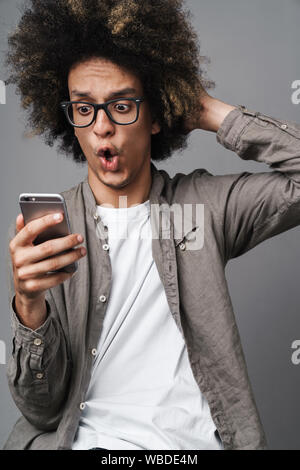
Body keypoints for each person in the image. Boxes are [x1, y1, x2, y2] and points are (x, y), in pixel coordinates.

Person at [3, 0, 300, 451]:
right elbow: (41, 410)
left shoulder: (205, 207)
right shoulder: (52, 230)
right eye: (84, 109)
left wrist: (209, 111)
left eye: (122, 106)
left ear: (157, 114)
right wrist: (28, 304)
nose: (102, 127)